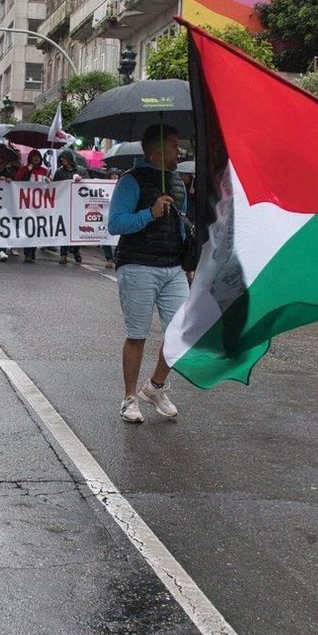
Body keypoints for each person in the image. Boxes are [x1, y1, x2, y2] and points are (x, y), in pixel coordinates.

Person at [107, 124, 190, 424]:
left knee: (183, 331)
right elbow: (115, 224)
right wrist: (150, 213)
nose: (178, 151)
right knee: (138, 335)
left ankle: (155, 387)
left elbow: (181, 224)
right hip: (138, 265)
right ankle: (129, 398)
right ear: (157, 150)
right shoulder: (131, 181)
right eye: (173, 145)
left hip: (172, 267)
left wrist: (188, 260)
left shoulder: (177, 182)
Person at [52, 151, 85, 265]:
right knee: (65, 229)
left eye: (64, 158)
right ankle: (63, 254)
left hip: (78, 205)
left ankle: (76, 251)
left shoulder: (81, 171)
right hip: (64, 205)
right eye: (61, 159)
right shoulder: (59, 172)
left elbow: (89, 183)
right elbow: (55, 187)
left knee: (77, 230)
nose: (62, 160)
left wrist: (81, 180)